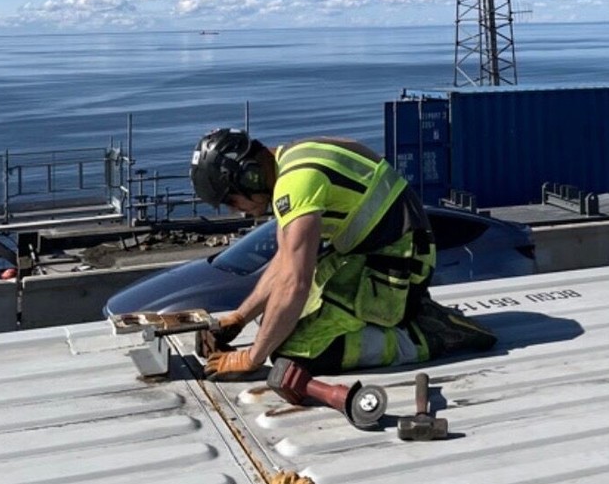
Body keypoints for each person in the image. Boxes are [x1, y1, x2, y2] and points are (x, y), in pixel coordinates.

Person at [188, 128, 497, 378]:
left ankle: (426, 337)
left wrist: (252, 358)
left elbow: (295, 283)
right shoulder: (292, 160)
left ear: (249, 176)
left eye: (231, 201)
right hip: (378, 251)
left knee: (295, 349)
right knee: (277, 322)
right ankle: (409, 313)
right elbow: (284, 263)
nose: (236, 210)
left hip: (395, 262)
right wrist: (241, 318)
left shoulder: (295, 186)